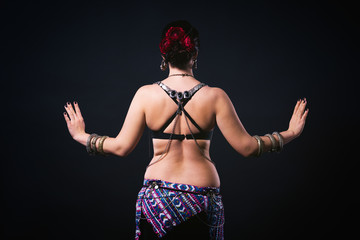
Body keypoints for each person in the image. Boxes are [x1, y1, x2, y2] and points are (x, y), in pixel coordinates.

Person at [63, 20, 309, 240]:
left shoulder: (145, 95)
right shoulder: (215, 96)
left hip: (157, 201)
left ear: (163, 54)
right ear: (195, 53)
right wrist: (290, 133)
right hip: (203, 201)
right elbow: (247, 148)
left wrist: (81, 136)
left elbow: (121, 147)